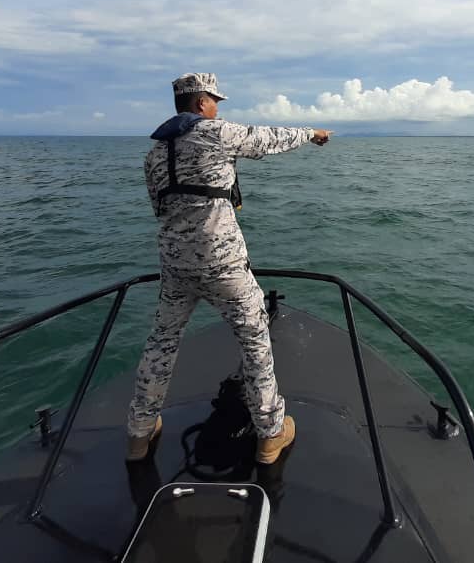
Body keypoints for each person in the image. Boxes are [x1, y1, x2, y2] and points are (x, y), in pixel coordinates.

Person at [127, 72, 331, 464]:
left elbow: (160, 209)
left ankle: (139, 432)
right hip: (222, 263)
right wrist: (310, 134)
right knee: (255, 338)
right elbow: (266, 139)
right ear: (202, 102)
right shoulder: (214, 133)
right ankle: (271, 433)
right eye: (215, 101)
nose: (218, 107)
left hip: (174, 265)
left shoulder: (153, 155)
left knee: (161, 343)